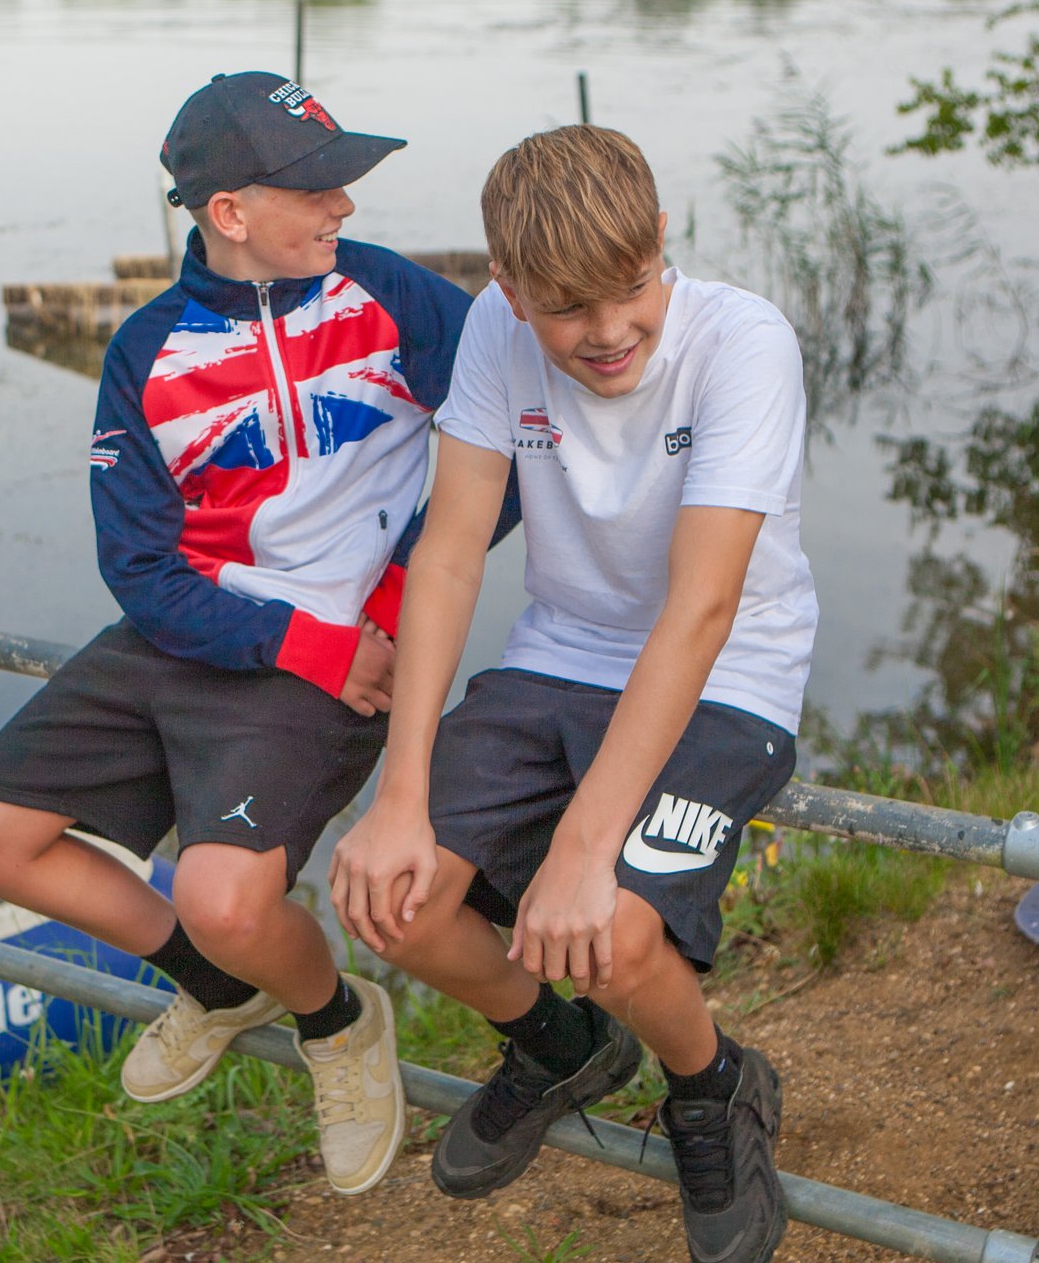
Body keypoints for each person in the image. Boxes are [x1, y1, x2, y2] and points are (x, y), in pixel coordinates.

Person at [0, 71, 482, 1197]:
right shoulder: (146, 350)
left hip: (342, 642)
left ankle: (339, 1022)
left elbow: (501, 453)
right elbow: (136, 565)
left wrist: (385, 612)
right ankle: (221, 986)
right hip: (199, 629)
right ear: (228, 213)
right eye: (317, 187)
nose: (344, 206)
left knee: (224, 892)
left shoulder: (391, 299)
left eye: (346, 182)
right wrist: (299, 643)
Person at [329, 124, 814, 1263]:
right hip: (558, 651)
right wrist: (401, 794)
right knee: (389, 898)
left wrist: (587, 847)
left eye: (630, 292)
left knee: (609, 930)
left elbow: (701, 607)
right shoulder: (496, 328)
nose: (606, 334)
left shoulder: (743, 343)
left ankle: (713, 1084)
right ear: (505, 287)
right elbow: (449, 554)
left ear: (660, 240)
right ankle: (559, 1046)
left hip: (726, 666)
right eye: (565, 311)